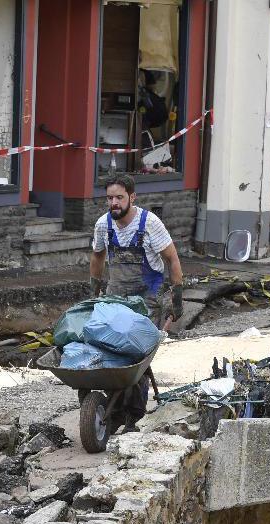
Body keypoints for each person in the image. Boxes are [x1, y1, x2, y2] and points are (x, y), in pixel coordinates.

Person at [89, 174, 185, 431]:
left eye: (119, 197)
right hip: (116, 296)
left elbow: (172, 259)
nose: (114, 203)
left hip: (147, 298)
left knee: (137, 355)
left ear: (132, 197)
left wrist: (176, 297)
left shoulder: (149, 223)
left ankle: (134, 414)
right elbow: (97, 257)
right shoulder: (103, 225)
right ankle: (115, 411)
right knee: (110, 351)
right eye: (110, 198)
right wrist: (94, 292)